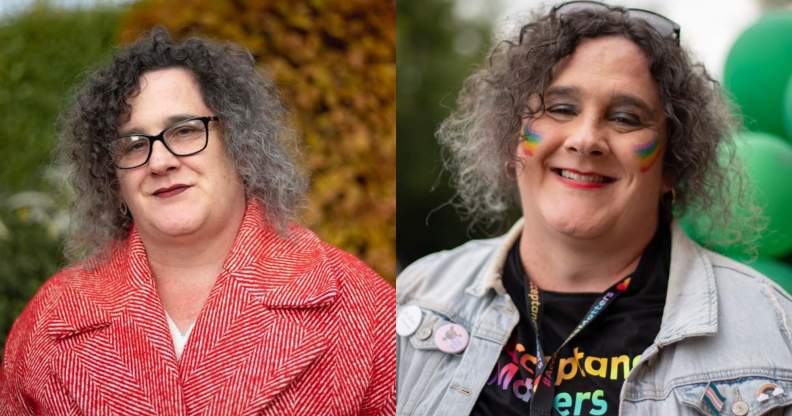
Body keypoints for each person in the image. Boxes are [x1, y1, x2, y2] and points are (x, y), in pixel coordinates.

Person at [396, 2, 792, 415]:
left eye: (625, 118)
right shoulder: (418, 296)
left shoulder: (774, 332)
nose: (585, 140)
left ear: (673, 163)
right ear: (513, 138)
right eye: (561, 108)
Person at [1, 28, 395, 415]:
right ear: (110, 174)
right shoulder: (51, 320)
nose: (160, 162)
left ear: (239, 140)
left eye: (186, 131)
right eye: (134, 144)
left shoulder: (360, 307)